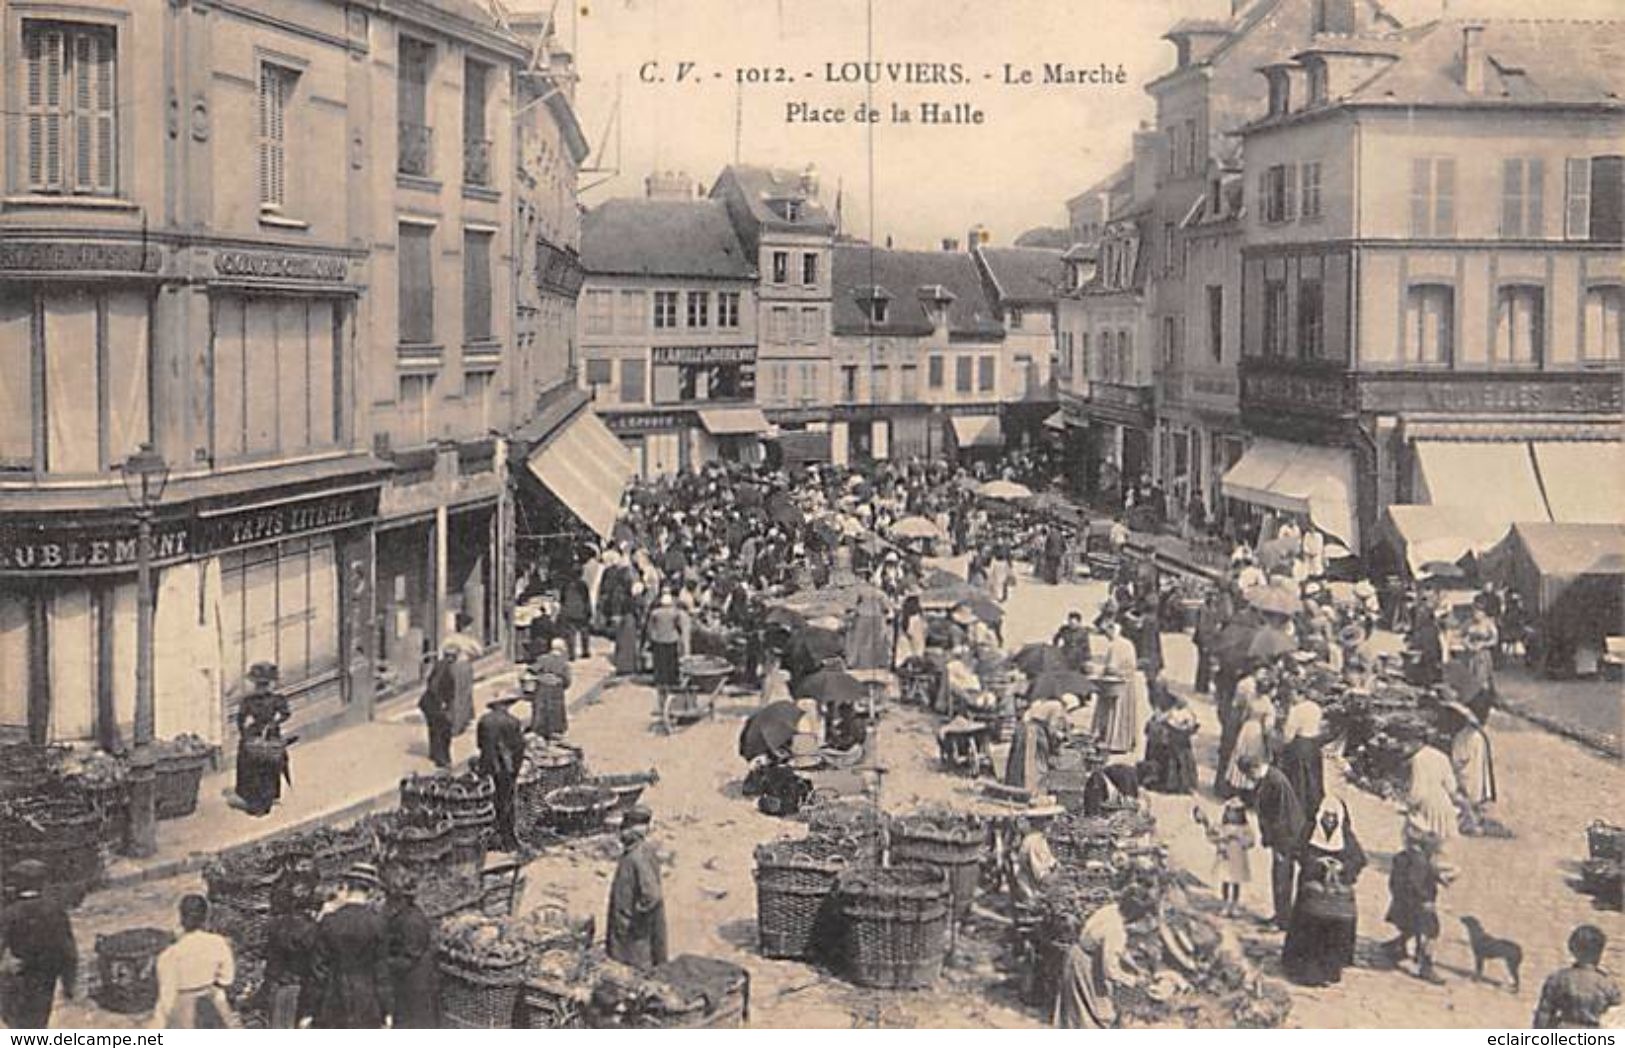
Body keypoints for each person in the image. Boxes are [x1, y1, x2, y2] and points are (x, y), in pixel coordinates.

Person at [1282, 795, 1366, 986]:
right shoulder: (1309, 831)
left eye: (1333, 817)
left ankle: (1330, 968)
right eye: (1326, 816)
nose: (1329, 820)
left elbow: (1358, 860)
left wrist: (1341, 867)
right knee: (1309, 926)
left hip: (1335, 894)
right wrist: (1316, 864)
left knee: (1335, 926)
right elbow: (1298, 852)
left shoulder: (1346, 836)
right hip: (1311, 889)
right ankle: (1304, 970)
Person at [1053, 890, 1151, 1028]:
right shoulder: (1117, 930)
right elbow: (1110, 971)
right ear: (1134, 915)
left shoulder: (1111, 909)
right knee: (1096, 1013)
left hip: (1075, 955)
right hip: (1085, 964)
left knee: (1075, 1012)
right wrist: (1133, 981)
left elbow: (1119, 950)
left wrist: (1135, 967)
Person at [309, 864, 391, 1029]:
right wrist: (387, 1009)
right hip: (367, 1001)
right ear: (370, 891)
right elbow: (381, 970)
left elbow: (318, 971)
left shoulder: (329, 922)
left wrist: (308, 1010)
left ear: (346, 886)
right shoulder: (377, 923)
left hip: (333, 999)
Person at [0, 860, 77, 1029]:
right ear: (43, 883)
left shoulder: (10, 913)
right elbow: (68, 950)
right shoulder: (56, 909)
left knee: (18, 1021)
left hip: (21, 976)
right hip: (46, 976)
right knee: (39, 1018)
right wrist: (69, 983)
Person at [1240, 753, 1305, 931]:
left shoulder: (1276, 781)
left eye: (1249, 775)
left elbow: (1283, 816)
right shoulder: (1268, 778)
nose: (1249, 779)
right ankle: (1281, 915)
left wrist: (1277, 844)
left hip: (1285, 838)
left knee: (1282, 877)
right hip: (1281, 836)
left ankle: (1283, 920)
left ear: (1255, 768)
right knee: (1279, 877)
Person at [150, 895, 237, 1028]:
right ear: (206, 918)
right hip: (213, 1004)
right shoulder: (218, 943)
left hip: (184, 1008)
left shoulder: (170, 955)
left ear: (181, 918)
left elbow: (167, 999)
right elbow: (227, 979)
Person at [606, 806, 668, 971]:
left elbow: (652, 895)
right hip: (636, 928)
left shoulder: (636, 857)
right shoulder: (645, 850)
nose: (620, 835)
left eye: (623, 830)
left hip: (633, 932)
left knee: (634, 970)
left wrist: (636, 918)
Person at [1383, 828, 1448, 983]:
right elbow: (1415, 882)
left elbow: (1400, 882)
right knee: (1430, 932)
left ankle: (1396, 947)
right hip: (1418, 905)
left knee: (1412, 929)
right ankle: (1425, 966)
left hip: (1403, 905)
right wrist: (1425, 900)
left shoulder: (1405, 857)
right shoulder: (1420, 861)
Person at [380, 868, 439, 1030]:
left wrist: (381, 964)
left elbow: (408, 958)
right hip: (408, 984)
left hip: (415, 987)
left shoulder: (412, 921)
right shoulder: (402, 915)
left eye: (389, 896)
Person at [1533, 925, 1621, 1029]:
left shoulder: (1558, 979)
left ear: (1572, 949)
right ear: (1600, 951)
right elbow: (1616, 1014)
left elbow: (1544, 1014)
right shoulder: (1607, 983)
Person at [261, 873, 320, 1028]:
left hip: (279, 988)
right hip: (301, 991)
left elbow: (271, 965)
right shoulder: (312, 929)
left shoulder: (275, 926)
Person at [235, 661, 291, 816]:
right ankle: (258, 800)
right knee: (258, 767)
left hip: (263, 735)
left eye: (265, 684)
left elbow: (240, 720)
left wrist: (273, 723)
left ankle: (262, 800)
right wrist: (246, 734)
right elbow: (240, 719)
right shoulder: (254, 701)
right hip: (261, 735)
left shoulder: (267, 700)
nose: (263, 688)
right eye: (261, 685)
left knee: (265, 766)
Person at [477, 695, 527, 852]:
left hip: (487, 766)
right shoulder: (512, 722)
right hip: (505, 768)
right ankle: (508, 840)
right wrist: (515, 770)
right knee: (506, 802)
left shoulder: (484, 721)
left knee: (488, 801)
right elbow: (518, 748)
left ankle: (490, 836)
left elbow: (480, 745)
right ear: (505, 705)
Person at [1403, 738, 1461, 861]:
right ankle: (1439, 865)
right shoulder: (1442, 756)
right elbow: (1452, 786)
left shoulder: (1418, 759)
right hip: (1442, 799)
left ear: (1418, 742)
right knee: (1441, 837)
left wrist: (1410, 803)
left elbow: (1418, 788)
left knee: (1420, 833)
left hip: (1427, 802)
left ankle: (1422, 865)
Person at [1447, 697, 1497, 833]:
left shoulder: (1464, 736)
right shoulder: (1478, 735)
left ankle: (1468, 820)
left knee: (1467, 792)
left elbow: (1458, 760)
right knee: (1474, 792)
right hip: (1474, 773)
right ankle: (1473, 817)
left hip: (1469, 773)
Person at [1276, 691, 1326, 819]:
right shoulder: (1316, 707)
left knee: (1298, 779)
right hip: (1313, 746)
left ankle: (1296, 809)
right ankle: (1313, 807)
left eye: (1293, 695)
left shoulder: (1296, 710)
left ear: (1299, 695)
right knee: (1313, 779)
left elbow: (1288, 737)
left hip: (1300, 746)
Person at [1094, 619, 1139, 755]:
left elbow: (1112, 667)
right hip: (1129, 682)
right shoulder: (1128, 643)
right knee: (1125, 711)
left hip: (1117, 683)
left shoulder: (1115, 646)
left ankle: (1114, 741)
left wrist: (1098, 671)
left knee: (1114, 711)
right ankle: (1125, 740)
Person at [1206, 799, 1256, 918]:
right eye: (1229, 812)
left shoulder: (1244, 828)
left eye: (1235, 812)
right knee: (1225, 881)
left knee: (1236, 882)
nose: (1232, 815)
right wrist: (1220, 839)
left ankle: (1234, 904)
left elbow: (1251, 841)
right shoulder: (1222, 826)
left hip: (1238, 858)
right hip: (1225, 858)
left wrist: (1240, 839)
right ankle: (1225, 903)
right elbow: (1213, 837)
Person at [646, 593, 688, 711]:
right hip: (671, 638)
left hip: (658, 639)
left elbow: (650, 627)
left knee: (660, 661)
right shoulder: (674, 613)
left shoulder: (655, 613)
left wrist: (651, 638)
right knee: (671, 661)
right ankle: (671, 680)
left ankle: (660, 680)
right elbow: (678, 626)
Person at [442, 613, 481, 736]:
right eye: (469, 626)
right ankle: (460, 723)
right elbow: (479, 652)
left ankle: (454, 722)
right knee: (463, 694)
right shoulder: (467, 640)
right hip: (464, 666)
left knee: (452, 694)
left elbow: (442, 651)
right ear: (465, 627)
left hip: (450, 667)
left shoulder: (449, 638)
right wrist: (469, 653)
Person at [417, 648, 456, 769]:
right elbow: (434, 685)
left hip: (429, 704)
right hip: (435, 704)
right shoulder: (445, 668)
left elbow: (430, 681)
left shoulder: (440, 665)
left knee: (434, 729)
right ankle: (442, 759)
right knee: (443, 731)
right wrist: (441, 702)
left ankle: (434, 754)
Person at [1008, 815, 1059, 906]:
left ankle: (1031, 898)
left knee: (1021, 877)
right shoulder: (1038, 837)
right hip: (1045, 870)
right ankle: (1034, 896)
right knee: (1023, 876)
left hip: (1040, 872)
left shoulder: (1031, 838)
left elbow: (1022, 857)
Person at [528, 638, 573, 740]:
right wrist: (562, 684)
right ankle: (555, 730)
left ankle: (539, 729)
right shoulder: (563, 662)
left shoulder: (542, 659)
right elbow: (567, 679)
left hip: (542, 686)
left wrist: (539, 677)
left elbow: (531, 669)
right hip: (556, 687)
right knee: (556, 709)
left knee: (541, 707)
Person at [845, 588, 890, 671]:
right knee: (876, 642)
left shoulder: (860, 591)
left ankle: (854, 662)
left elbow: (852, 606)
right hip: (877, 618)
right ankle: (877, 663)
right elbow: (886, 609)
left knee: (860, 641)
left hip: (864, 617)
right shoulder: (880, 593)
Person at [559, 571, 593, 660]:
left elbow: (562, 599)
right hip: (581, 611)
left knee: (570, 634)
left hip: (569, 611)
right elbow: (587, 599)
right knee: (584, 632)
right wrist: (589, 612)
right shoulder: (583, 585)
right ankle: (585, 651)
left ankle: (571, 654)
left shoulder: (565, 586)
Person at [895, 594, 928, 668]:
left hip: (900, 658)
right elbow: (917, 641)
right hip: (911, 659)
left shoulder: (901, 618)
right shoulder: (916, 620)